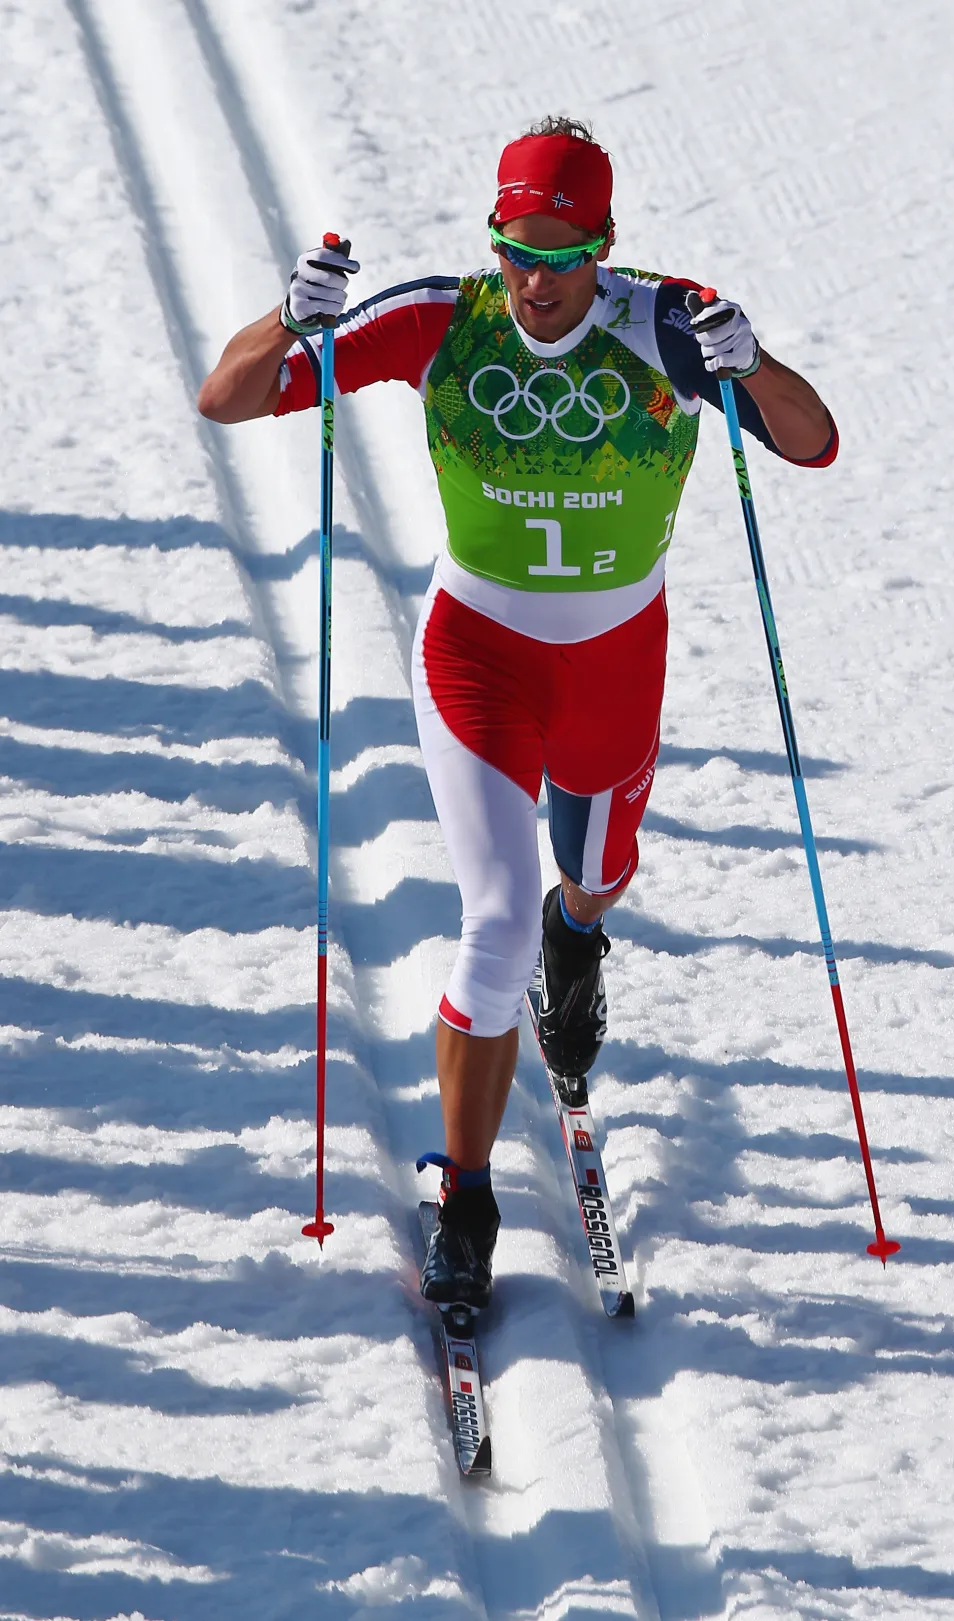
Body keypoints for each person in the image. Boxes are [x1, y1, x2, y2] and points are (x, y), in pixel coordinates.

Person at [198, 116, 837, 1313]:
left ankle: (579, 934)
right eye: (514, 252)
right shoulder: (446, 319)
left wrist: (749, 365)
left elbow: (812, 443)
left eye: (559, 255)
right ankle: (467, 1191)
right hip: (478, 659)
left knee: (594, 871)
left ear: (605, 244)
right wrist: (294, 320)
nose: (534, 282)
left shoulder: (667, 327)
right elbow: (227, 397)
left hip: (613, 663)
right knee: (487, 921)